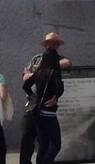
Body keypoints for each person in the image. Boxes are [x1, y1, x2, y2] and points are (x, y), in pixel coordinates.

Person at [20, 32, 71, 164]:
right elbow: (25, 76)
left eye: (56, 43)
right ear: (46, 44)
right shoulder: (37, 58)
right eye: (51, 43)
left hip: (38, 107)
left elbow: (67, 63)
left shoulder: (56, 59)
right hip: (36, 107)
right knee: (29, 138)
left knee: (44, 143)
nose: (53, 45)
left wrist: (44, 69)